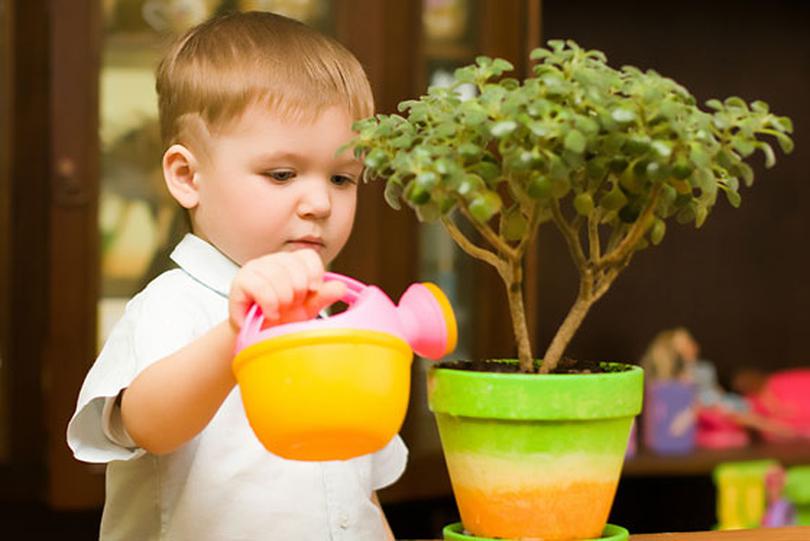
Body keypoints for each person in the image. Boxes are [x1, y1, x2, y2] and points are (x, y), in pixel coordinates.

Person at [67, 11, 406, 541]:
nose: (320, 202)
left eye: (342, 179)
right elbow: (148, 426)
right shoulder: (173, 305)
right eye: (282, 174)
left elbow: (356, 489)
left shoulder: (335, 320)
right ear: (187, 177)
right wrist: (237, 333)